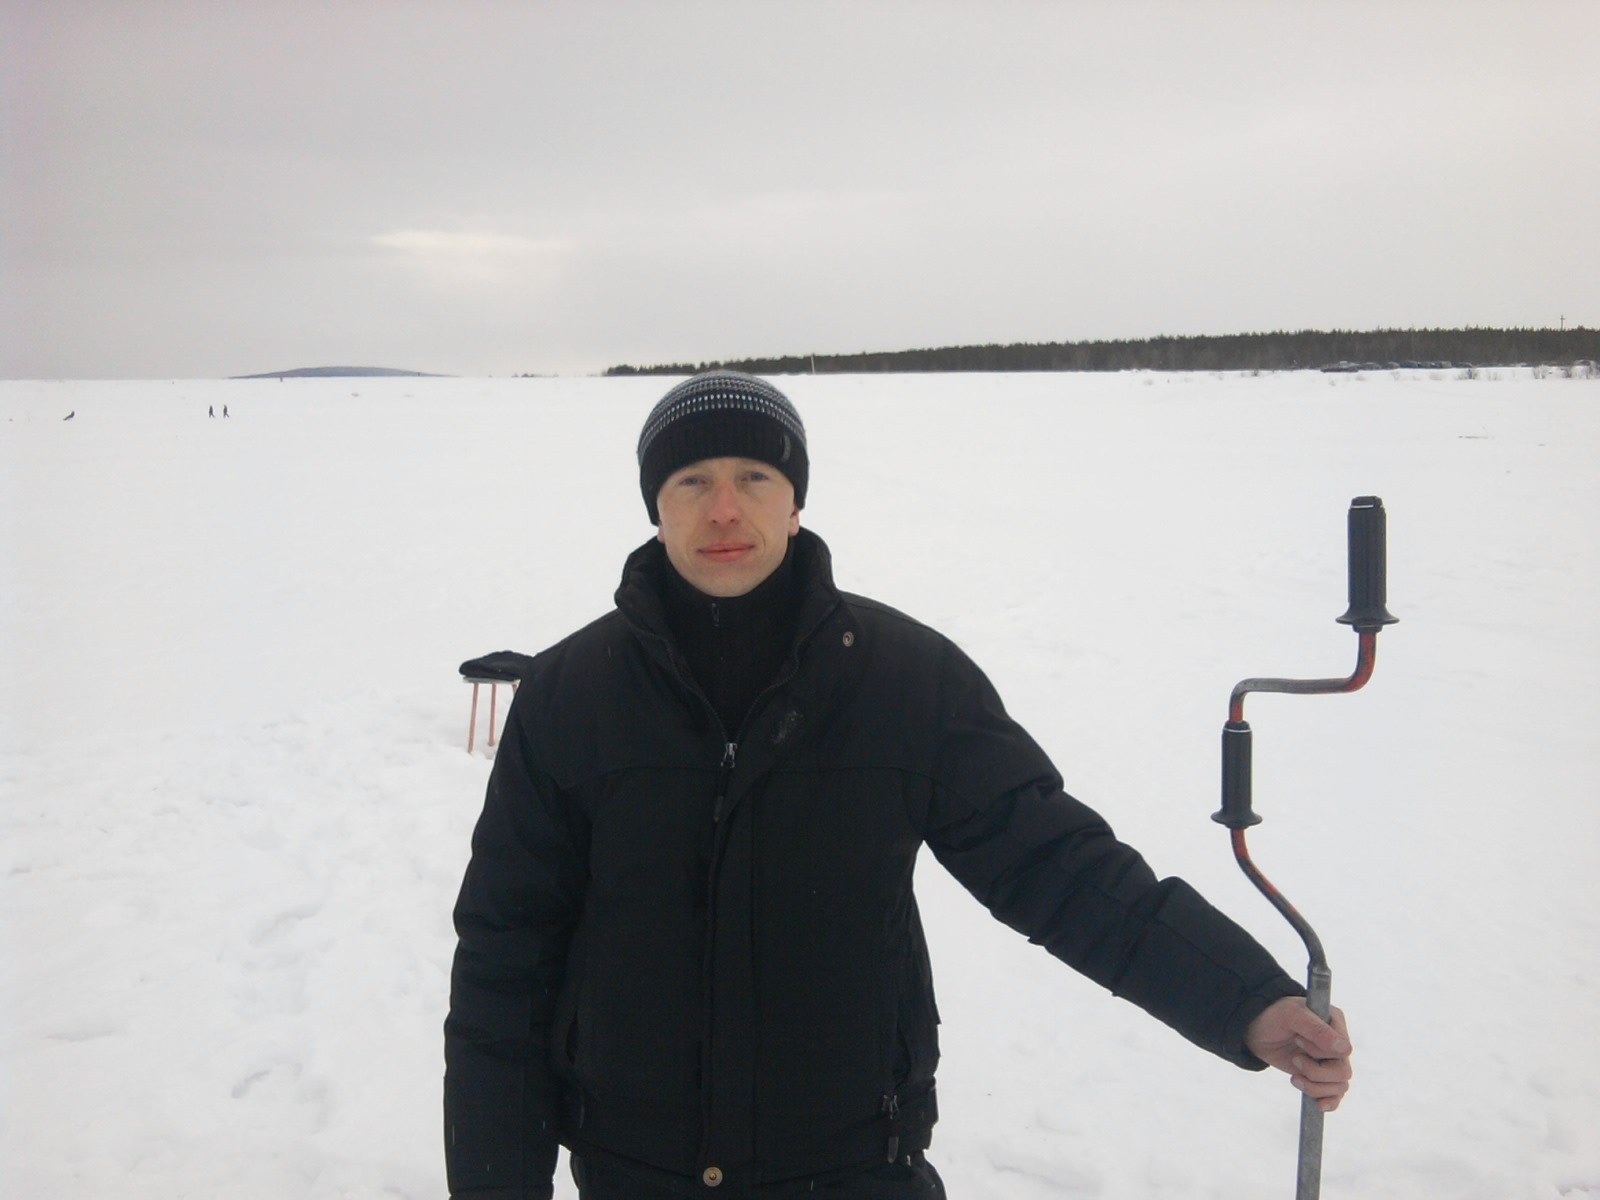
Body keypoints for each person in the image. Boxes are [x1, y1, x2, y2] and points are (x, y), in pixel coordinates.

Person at [444, 371, 1352, 1200]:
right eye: (691, 481)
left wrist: (1245, 1000)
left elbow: (1059, 868)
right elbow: (505, 960)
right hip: (636, 1172)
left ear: (795, 500)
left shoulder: (907, 681)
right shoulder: (571, 696)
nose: (724, 509)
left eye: (754, 477)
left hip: (857, 1168)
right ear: (656, 506)